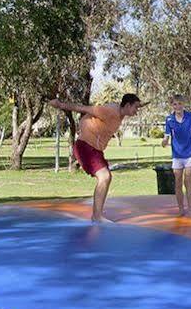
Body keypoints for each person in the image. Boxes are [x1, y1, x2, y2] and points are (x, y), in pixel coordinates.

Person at [48, 91, 142, 221]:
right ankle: (96, 217)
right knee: (105, 176)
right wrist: (59, 104)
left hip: (96, 150)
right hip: (85, 146)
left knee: (107, 178)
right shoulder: (109, 111)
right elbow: (81, 108)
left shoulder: (120, 114)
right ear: (127, 105)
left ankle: (97, 215)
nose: (137, 111)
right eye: (135, 107)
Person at [162, 95, 191, 217]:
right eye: (174, 104)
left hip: (189, 154)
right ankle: (180, 209)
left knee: (187, 181)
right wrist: (164, 142)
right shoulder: (169, 119)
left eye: (179, 103)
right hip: (177, 156)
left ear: (183, 104)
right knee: (178, 182)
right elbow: (166, 137)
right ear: (172, 105)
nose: (177, 106)